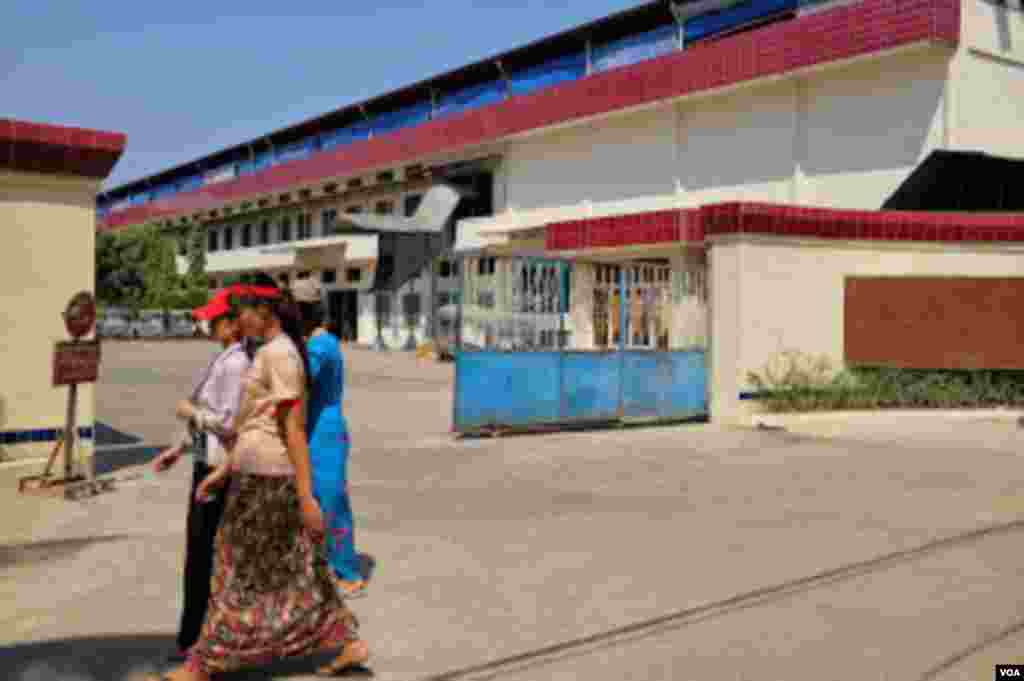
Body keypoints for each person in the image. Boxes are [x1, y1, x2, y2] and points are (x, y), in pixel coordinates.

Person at [151, 282, 369, 681]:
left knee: (232, 568)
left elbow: (293, 430)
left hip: (270, 479)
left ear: (264, 312)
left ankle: (206, 661)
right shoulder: (269, 352)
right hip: (252, 473)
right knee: (295, 569)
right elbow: (252, 423)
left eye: (244, 311)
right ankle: (344, 639)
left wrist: (306, 496)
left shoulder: (282, 354)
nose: (239, 319)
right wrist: (223, 471)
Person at [150, 286, 251, 662]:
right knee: (199, 553)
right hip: (204, 461)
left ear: (231, 324)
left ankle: (198, 638)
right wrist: (179, 448)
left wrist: (189, 414)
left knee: (204, 555)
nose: (208, 325)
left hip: (217, 468)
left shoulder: (235, 363)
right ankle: (195, 635)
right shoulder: (224, 358)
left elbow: (227, 423)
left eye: (214, 320)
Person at [294, 286, 366, 599]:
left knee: (331, 500)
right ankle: (318, 567)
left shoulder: (321, 345)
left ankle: (347, 570)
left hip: (325, 432)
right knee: (308, 499)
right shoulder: (312, 342)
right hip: (309, 430)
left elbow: (300, 379)